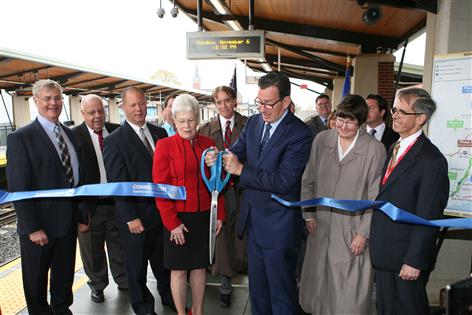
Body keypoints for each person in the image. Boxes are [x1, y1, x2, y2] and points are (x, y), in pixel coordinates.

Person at [206, 71, 313, 315]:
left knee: (281, 292)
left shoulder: (300, 134)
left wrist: (241, 170)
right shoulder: (254, 123)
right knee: (258, 290)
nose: (262, 109)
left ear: (286, 102)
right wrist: (219, 157)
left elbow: (284, 181)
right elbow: (236, 152)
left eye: (268, 103)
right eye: (259, 102)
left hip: (279, 226)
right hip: (253, 221)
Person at [299, 94, 386, 314]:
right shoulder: (322, 140)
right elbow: (308, 180)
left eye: (351, 122)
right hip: (321, 227)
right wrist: (308, 214)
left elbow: (375, 197)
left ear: (361, 122)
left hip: (351, 231)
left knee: (347, 296)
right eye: (340, 119)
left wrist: (363, 234)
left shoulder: (374, 150)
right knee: (318, 290)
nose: (343, 126)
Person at [6, 79, 87, 314]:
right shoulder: (21, 138)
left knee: (63, 282)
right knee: (36, 285)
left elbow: (77, 180)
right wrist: (32, 227)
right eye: (47, 99)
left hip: (67, 225)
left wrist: (81, 213)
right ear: (35, 101)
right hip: (39, 229)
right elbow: (18, 186)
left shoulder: (71, 136)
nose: (53, 103)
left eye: (57, 98)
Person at [370, 88, 449, 315]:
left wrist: (414, 260)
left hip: (407, 259)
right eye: (394, 109)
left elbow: (429, 215)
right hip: (385, 253)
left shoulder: (432, 161)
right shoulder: (395, 147)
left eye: (402, 112)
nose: (394, 115)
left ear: (421, 119)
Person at [153, 94, 225, 315]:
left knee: (199, 267)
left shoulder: (209, 144)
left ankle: (199, 310)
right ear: (174, 121)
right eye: (181, 120)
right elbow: (160, 189)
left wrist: (218, 214)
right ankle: (182, 312)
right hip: (177, 218)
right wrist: (172, 223)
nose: (187, 125)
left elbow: (217, 183)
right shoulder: (164, 146)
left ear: (198, 119)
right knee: (179, 271)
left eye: (191, 120)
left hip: (203, 215)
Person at [103, 87, 172, 315]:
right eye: (132, 105)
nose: (139, 109)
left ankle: (170, 298)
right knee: (137, 269)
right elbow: (117, 182)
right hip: (136, 218)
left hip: (163, 214)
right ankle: (143, 309)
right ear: (123, 107)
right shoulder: (114, 141)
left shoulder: (160, 133)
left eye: (142, 103)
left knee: (165, 264)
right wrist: (130, 216)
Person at [73, 94, 127, 303]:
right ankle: (97, 285)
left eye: (100, 111)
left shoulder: (117, 131)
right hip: (90, 206)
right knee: (91, 251)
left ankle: (123, 280)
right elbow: (73, 178)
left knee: (119, 246)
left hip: (116, 203)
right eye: (91, 112)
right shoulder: (74, 136)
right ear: (83, 114)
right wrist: (80, 212)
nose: (97, 116)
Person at [198, 85, 248, 308]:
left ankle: (253, 279)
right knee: (222, 240)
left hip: (245, 188)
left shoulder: (250, 125)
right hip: (219, 192)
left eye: (227, 100)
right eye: (219, 102)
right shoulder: (206, 130)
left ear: (235, 101)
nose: (224, 106)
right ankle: (226, 286)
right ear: (214, 105)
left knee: (247, 236)